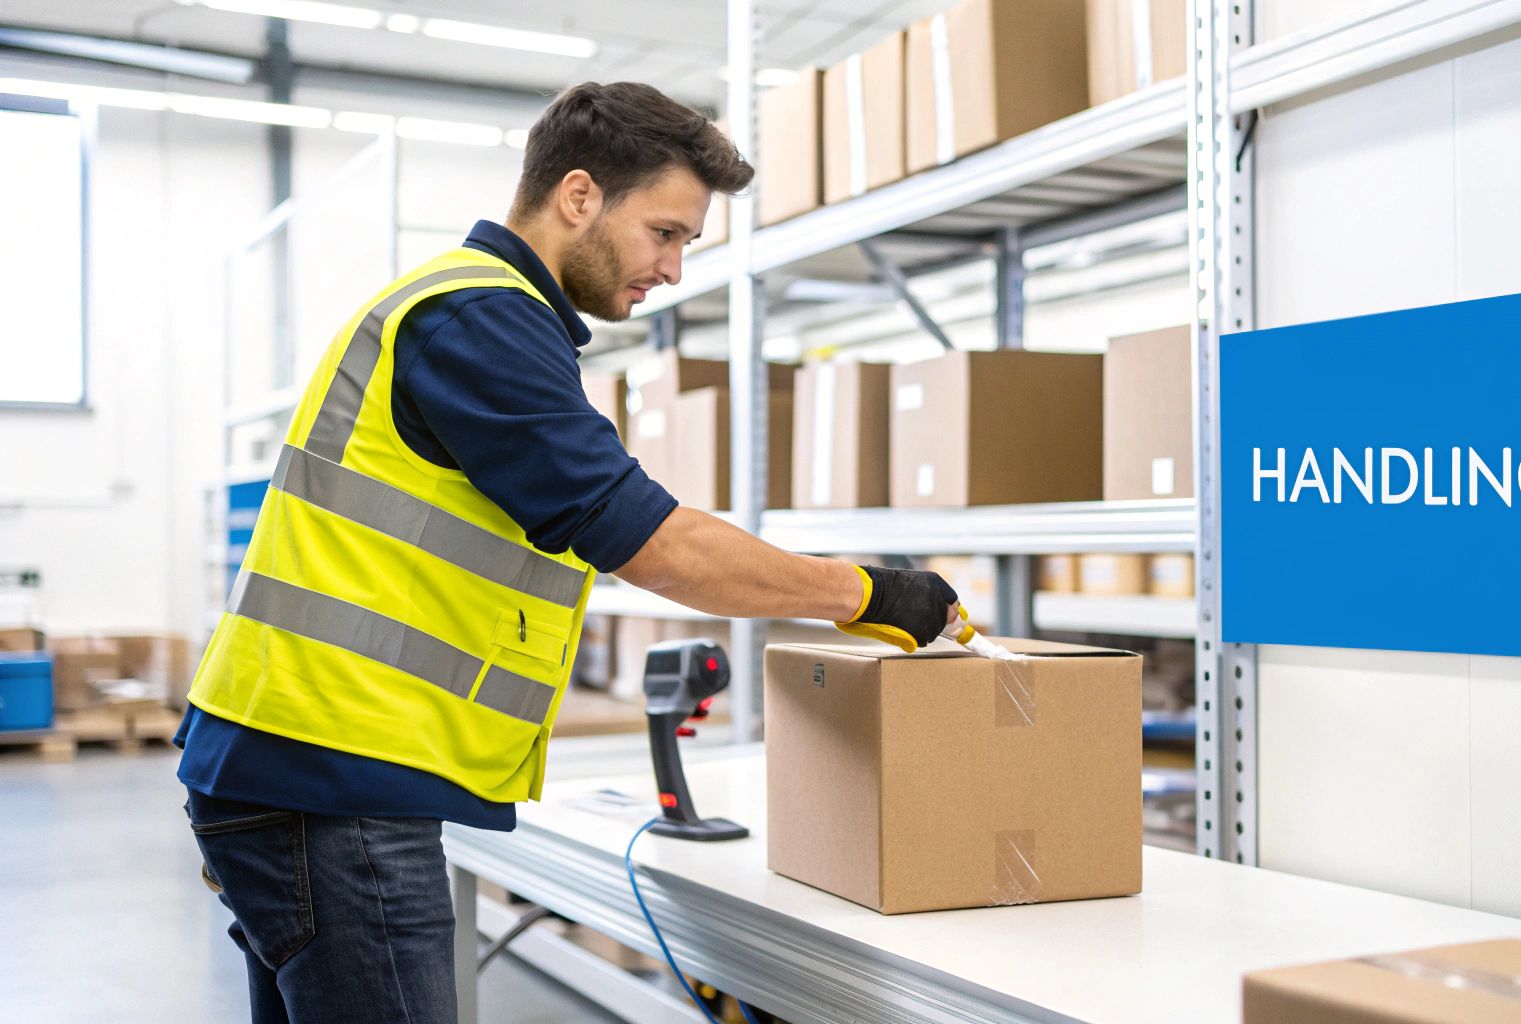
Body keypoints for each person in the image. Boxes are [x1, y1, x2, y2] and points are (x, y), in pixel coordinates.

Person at [175, 81, 957, 1024]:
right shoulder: (478, 320)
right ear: (579, 197)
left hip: (302, 763)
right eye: (665, 233)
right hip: (330, 779)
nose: (671, 269)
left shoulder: (475, 312)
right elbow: (654, 545)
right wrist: (872, 594)